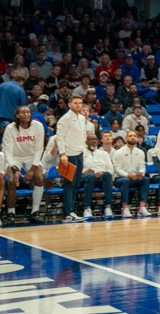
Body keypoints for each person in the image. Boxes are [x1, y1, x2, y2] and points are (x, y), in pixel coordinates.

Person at [3, 106, 47, 224]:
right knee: (11, 180)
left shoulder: (38, 126)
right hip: (15, 156)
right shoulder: (10, 128)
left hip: (31, 156)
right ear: (17, 115)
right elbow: (7, 151)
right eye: (23, 112)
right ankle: (11, 213)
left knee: (39, 177)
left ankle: (35, 212)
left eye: (28, 112)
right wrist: (14, 169)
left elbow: (39, 149)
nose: (26, 114)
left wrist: (32, 170)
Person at [56, 94, 88, 223]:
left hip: (79, 153)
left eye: (80, 103)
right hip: (69, 155)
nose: (78, 105)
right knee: (69, 184)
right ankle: (67, 214)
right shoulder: (65, 119)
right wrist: (63, 154)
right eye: (75, 103)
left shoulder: (82, 118)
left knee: (76, 184)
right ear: (69, 105)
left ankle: (72, 211)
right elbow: (59, 137)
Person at [112, 130, 152, 218]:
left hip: (135, 176)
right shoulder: (119, 152)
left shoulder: (140, 152)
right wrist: (128, 175)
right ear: (126, 139)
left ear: (137, 139)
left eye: (134, 136)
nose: (133, 137)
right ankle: (125, 208)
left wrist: (141, 173)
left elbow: (142, 166)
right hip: (120, 178)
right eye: (130, 136)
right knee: (125, 181)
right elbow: (117, 169)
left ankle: (142, 208)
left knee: (145, 179)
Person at [80, 132, 115, 219]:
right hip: (85, 178)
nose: (93, 141)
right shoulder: (81, 153)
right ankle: (87, 208)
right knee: (91, 176)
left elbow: (111, 170)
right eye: (91, 139)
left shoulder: (104, 153)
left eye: (95, 139)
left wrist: (102, 172)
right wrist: (84, 172)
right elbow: (76, 171)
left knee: (107, 174)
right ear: (86, 142)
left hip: (100, 178)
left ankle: (108, 207)